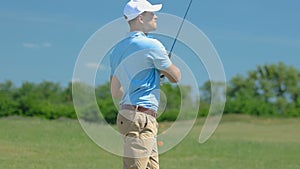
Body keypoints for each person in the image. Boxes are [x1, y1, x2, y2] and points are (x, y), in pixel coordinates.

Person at [109, 0, 181, 168]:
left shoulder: (116, 50)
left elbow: (116, 91)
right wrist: (164, 66)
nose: (155, 16)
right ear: (141, 18)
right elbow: (176, 76)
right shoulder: (152, 45)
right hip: (141, 118)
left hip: (128, 116)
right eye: (151, 13)